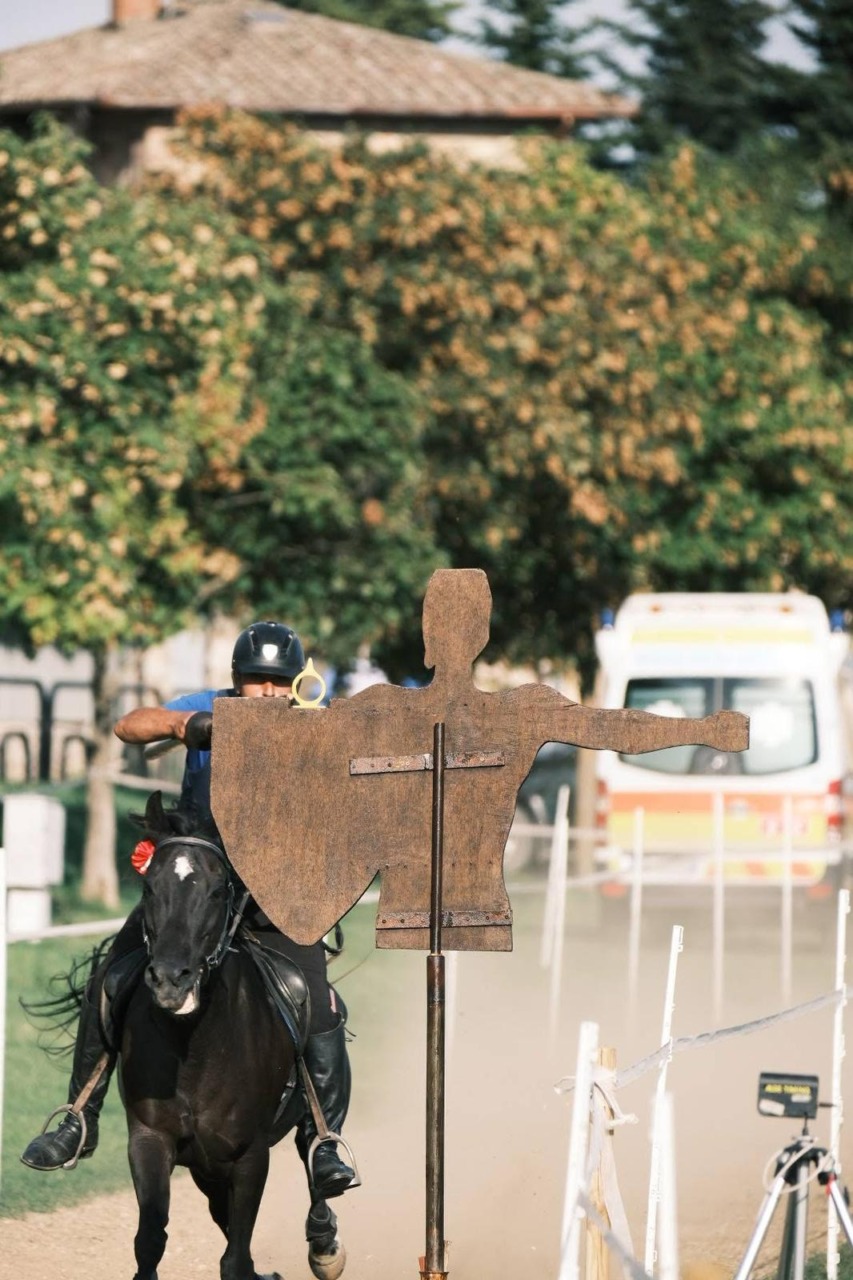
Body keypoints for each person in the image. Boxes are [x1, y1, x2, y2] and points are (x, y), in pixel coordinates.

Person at [21, 621, 357, 1201]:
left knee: (318, 998)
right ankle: (79, 1116)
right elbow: (131, 725)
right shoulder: (212, 708)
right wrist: (186, 726)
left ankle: (322, 1139)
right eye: (257, 681)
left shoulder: (312, 718)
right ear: (236, 682)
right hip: (195, 886)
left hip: (274, 892)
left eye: (280, 681)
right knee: (114, 972)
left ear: (298, 682)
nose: (269, 693)